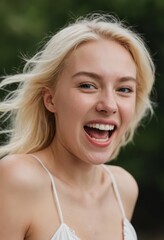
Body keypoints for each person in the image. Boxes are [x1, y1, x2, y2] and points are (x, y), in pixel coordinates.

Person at [0, 13, 155, 240]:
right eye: (88, 85)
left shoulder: (123, 188)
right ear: (50, 99)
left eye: (124, 89)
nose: (109, 105)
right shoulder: (17, 179)